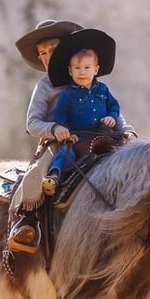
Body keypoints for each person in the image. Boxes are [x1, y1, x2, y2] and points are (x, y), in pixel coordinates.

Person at [7, 20, 137, 254]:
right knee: (37, 174)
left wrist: (127, 132)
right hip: (60, 142)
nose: (47, 57)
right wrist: (55, 129)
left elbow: (115, 114)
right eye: (42, 53)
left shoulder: (95, 83)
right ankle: (27, 223)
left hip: (100, 139)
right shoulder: (45, 86)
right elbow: (32, 123)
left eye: (53, 50)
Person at [41, 29, 123, 196]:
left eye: (87, 67)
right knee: (66, 153)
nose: (82, 72)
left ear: (96, 69)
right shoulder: (67, 94)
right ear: (70, 71)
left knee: (123, 151)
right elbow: (61, 114)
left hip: (103, 133)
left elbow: (114, 106)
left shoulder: (103, 89)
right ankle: (54, 176)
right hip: (78, 136)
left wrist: (112, 118)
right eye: (77, 68)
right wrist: (64, 131)